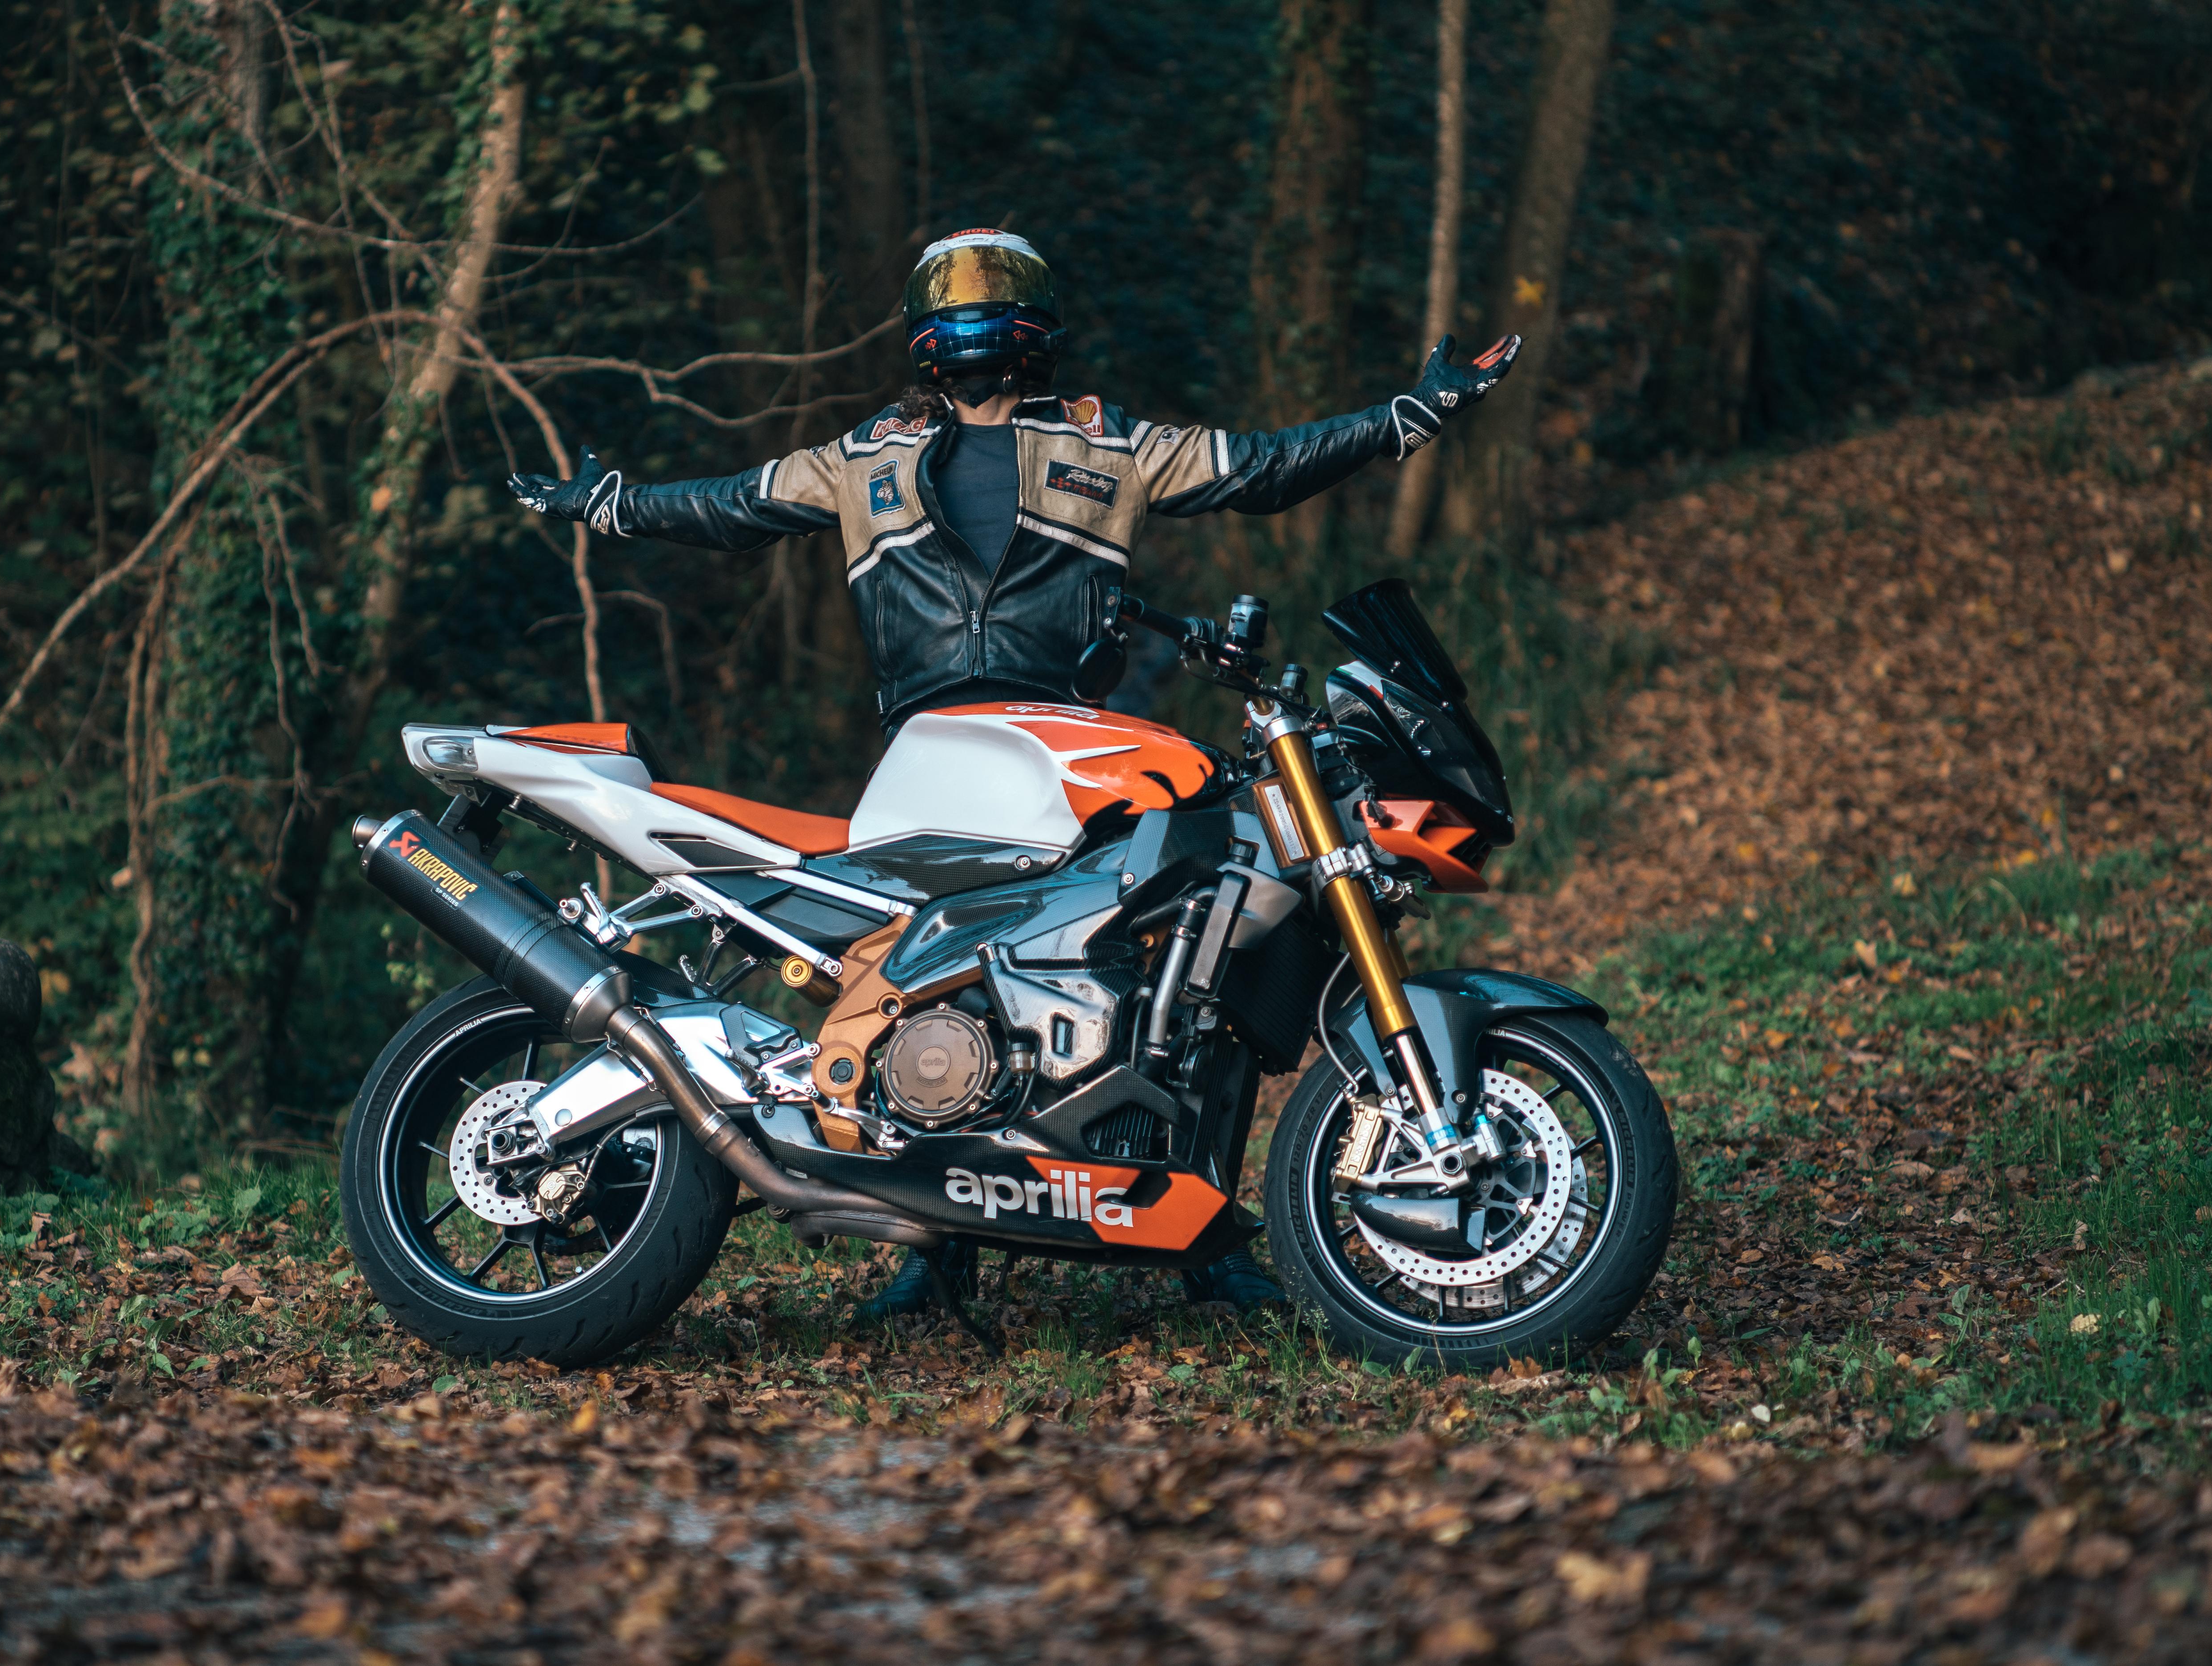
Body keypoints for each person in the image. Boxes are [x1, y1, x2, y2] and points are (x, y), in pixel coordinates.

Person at [511, 228, 1519, 1319]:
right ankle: (933, 1249)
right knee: (909, 979)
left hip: (1073, 745)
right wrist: (610, 506)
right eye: (953, 293)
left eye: (995, 290)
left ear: (1039, 325)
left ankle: (1202, 1238)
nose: (974, 310)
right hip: (932, 751)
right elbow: (729, 507)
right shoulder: (863, 455)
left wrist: (1405, 418)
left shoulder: (1112, 442)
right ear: (922, 332)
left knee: (1206, 955)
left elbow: (1262, 467)